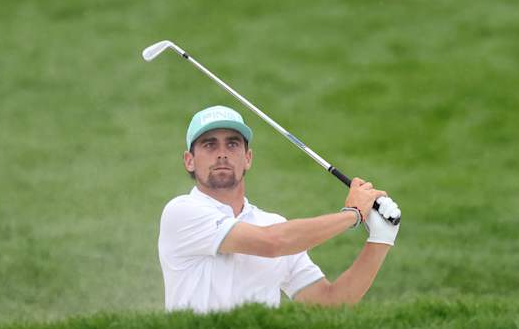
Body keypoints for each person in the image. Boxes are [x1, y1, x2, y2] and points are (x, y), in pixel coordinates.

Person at [157, 105, 401, 312]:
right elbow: (272, 243)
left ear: (248, 158)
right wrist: (353, 215)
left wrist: (381, 240)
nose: (222, 154)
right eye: (209, 145)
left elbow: (330, 302)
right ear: (189, 161)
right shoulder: (181, 212)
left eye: (232, 145)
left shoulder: (273, 222)